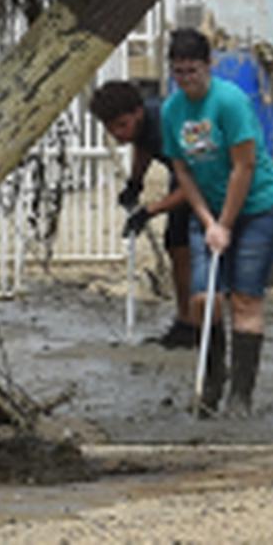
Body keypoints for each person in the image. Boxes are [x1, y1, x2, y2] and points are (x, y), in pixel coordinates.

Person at [158, 28, 273, 417]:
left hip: (258, 209)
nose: (186, 80)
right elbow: (182, 171)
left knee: (244, 298)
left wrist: (226, 224)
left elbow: (244, 165)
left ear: (209, 66)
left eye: (192, 71)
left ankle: (240, 396)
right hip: (211, 211)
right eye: (178, 72)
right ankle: (212, 379)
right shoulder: (172, 110)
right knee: (204, 298)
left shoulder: (230, 102)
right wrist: (206, 219)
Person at [90, 79, 200, 347]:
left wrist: (149, 211)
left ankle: (199, 323)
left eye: (121, 125)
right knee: (176, 245)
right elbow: (144, 146)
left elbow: (197, 184)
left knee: (197, 250)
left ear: (138, 112)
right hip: (183, 176)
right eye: (110, 128)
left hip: (211, 178)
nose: (117, 134)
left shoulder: (168, 124)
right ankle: (185, 320)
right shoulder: (144, 126)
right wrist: (135, 182)